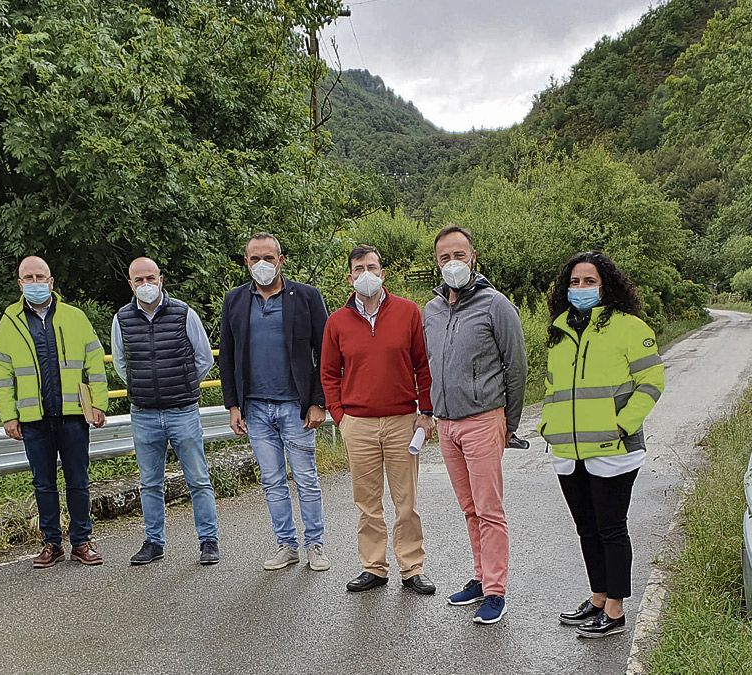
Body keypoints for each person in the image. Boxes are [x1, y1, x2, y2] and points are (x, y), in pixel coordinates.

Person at [538, 251, 665, 638]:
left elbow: (651, 383)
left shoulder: (630, 327)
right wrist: (548, 425)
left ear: (605, 285)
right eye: (574, 282)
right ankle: (597, 598)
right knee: (586, 529)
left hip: (614, 451)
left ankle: (616, 609)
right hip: (569, 451)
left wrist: (621, 425)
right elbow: (552, 387)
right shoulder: (559, 331)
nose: (580, 289)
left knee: (611, 528)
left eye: (589, 281)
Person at [422, 226, 527, 625]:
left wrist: (508, 423)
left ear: (473, 257)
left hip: (484, 420)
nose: (452, 264)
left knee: (489, 509)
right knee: (469, 509)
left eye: (459, 256)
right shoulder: (430, 310)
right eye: (445, 257)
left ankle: (496, 591)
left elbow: (515, 368)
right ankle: (481, 579)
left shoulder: (495, 305)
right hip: (447, 424)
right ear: (437, 262)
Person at [321, 245, 436, 596]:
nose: (366, 274)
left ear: (383, 273)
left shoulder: (407, 312)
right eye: (359, 268)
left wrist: (426, 413)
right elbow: (328, 373)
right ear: (350, 277)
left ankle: (412, 567)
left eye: (372, 266)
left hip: (403, 419)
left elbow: (423, 366)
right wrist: (341, 417)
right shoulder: (337, 322)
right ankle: (373, 566)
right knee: (367, 502)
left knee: (407, 501)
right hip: (358, 423)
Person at [219, 233, 332, 572]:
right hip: (255, 407)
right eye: (256, 259)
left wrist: (318, 401)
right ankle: (287, 545)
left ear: (281, 260)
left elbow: (324, 352)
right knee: (272, 481)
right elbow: (227, 355)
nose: (262, 265)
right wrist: (233, 405)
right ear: (246, 262)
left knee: (306, 478)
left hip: (295, 406)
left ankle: (316, 544)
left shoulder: (307, 297)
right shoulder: (235, 300)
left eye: (269, 258)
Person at [0, 256, 109, 569]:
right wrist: (9, 415)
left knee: (78, 481)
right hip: (34, 419)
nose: (34, 283)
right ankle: (51, 543)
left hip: (72, 415)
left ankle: (82, 542)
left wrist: (99, 403)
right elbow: (2, 374)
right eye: (28, 278)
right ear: (19, 284)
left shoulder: (74, 317)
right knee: (43, 484)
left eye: (39, 276)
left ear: (51, 281)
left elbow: (94, 364)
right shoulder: (10, 321)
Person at [111, 257, 221, 566]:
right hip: (144, 413)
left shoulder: (184, 313)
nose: (145, 285)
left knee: (198, 479)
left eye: (150, 278)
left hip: (182, 410)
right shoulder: (121, 319)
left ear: (161, 279)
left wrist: (183, 385)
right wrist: (144, 386)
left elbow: (204, 358)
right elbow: (122, 364)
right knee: (149, 483)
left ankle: (208, 541)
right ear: (131, 284)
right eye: (138, 280)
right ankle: (154, 542)